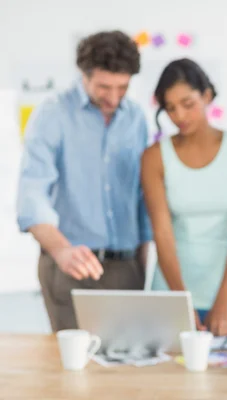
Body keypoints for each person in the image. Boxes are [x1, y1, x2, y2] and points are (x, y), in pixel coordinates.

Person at [16, 31, 152, 332]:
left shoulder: (136, 118)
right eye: (104, 86)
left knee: (128, 371)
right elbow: (32, 195)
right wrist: (62, 250)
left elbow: (142, 196)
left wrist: (142, 264)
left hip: (127, 269)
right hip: (69, 266)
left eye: (122, 87)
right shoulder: (53, 114)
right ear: (84, 75)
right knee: (77, 370)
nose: (113, 97)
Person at [142, 58, 227, 337]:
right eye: (170, 108)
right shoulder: (154, 157)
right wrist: (182, 303)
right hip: (169, 293)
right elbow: (163, 236)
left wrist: (222, 303)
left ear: (206, 96)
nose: (179, 115)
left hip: (224, 295)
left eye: (187, 103)